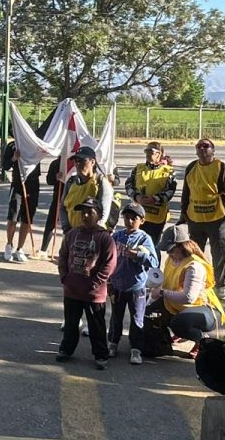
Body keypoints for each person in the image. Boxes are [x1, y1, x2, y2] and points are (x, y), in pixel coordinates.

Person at [56, 198, 117, 369]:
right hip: (72, 290)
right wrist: (64, 277)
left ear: (99, 215)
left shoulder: (104, 238)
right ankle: (66, 350)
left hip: (93, 293)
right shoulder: (72, 234)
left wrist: (95, 283)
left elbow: (109, 264)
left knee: (96, 326)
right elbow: (63, 256)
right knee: (71, 323)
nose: (85, 215)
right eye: (83, 212)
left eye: (90, 212)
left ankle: (100, 355)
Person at [151, 224, 225, 358]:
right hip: (180, 306)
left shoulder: (194, 266)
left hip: (203, 309)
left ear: (181, 246)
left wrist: (161, 293)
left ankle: (202, 340)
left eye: (170, 250)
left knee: (179, 323)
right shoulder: (172, 259)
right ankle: (165, 339)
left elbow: (189, 297)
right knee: (148, 311)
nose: (168, 253)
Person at [179, 138, 225, 300]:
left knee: (219, 252)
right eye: (199, 146)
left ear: (213, 150)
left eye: (206, 146)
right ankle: (197, 282)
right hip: (195, 219)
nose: (202, 149)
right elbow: (186, 192)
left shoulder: (221, 168)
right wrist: (183, 214)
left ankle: (220, 285)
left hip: (216, 219)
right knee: (195, 254)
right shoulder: (191, 167)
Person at [107, 203, 157, 365]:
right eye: (126, 217)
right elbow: (108, 257)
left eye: (133, 218)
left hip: (137, 287)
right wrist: (108, 279)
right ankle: (113, 343)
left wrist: (139, 256)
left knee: (137, 318)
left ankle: (136, 349)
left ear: (142, 220)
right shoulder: (117, 236)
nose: (129, 221)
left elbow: (154, 262)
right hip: (117, 284)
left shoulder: (144, 238)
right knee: (116, 316)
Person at [126, 142, 177, 247]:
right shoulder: (138, 169)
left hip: (156, 216)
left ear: (159, 154)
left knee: (152, 246)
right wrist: (137, 196)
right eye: (147, 152)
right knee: (134, 245)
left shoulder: (169, 171)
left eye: (152, 152)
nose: (148, 154)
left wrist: (155, 199)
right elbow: (129, 185)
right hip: (137, 216)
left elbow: (170, 191)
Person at [1, 135, 40, 263]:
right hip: (18, 184)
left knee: (27, 219)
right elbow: (5, 165)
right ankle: (9, 245)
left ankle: (20, 248)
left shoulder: (35, 145)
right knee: (13, 218)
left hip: (32, 185)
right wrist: (14, 158)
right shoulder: (12, 146)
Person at [61, 147, 114, 234]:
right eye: (76, 161)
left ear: (92, 162)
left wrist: (90, 232)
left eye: (82, 160)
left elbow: (104, 213)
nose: (78, 164)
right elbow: (62, 207)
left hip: (94, 235)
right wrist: (66, 228)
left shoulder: (100, 182)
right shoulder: (71, 182)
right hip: (72, 234)